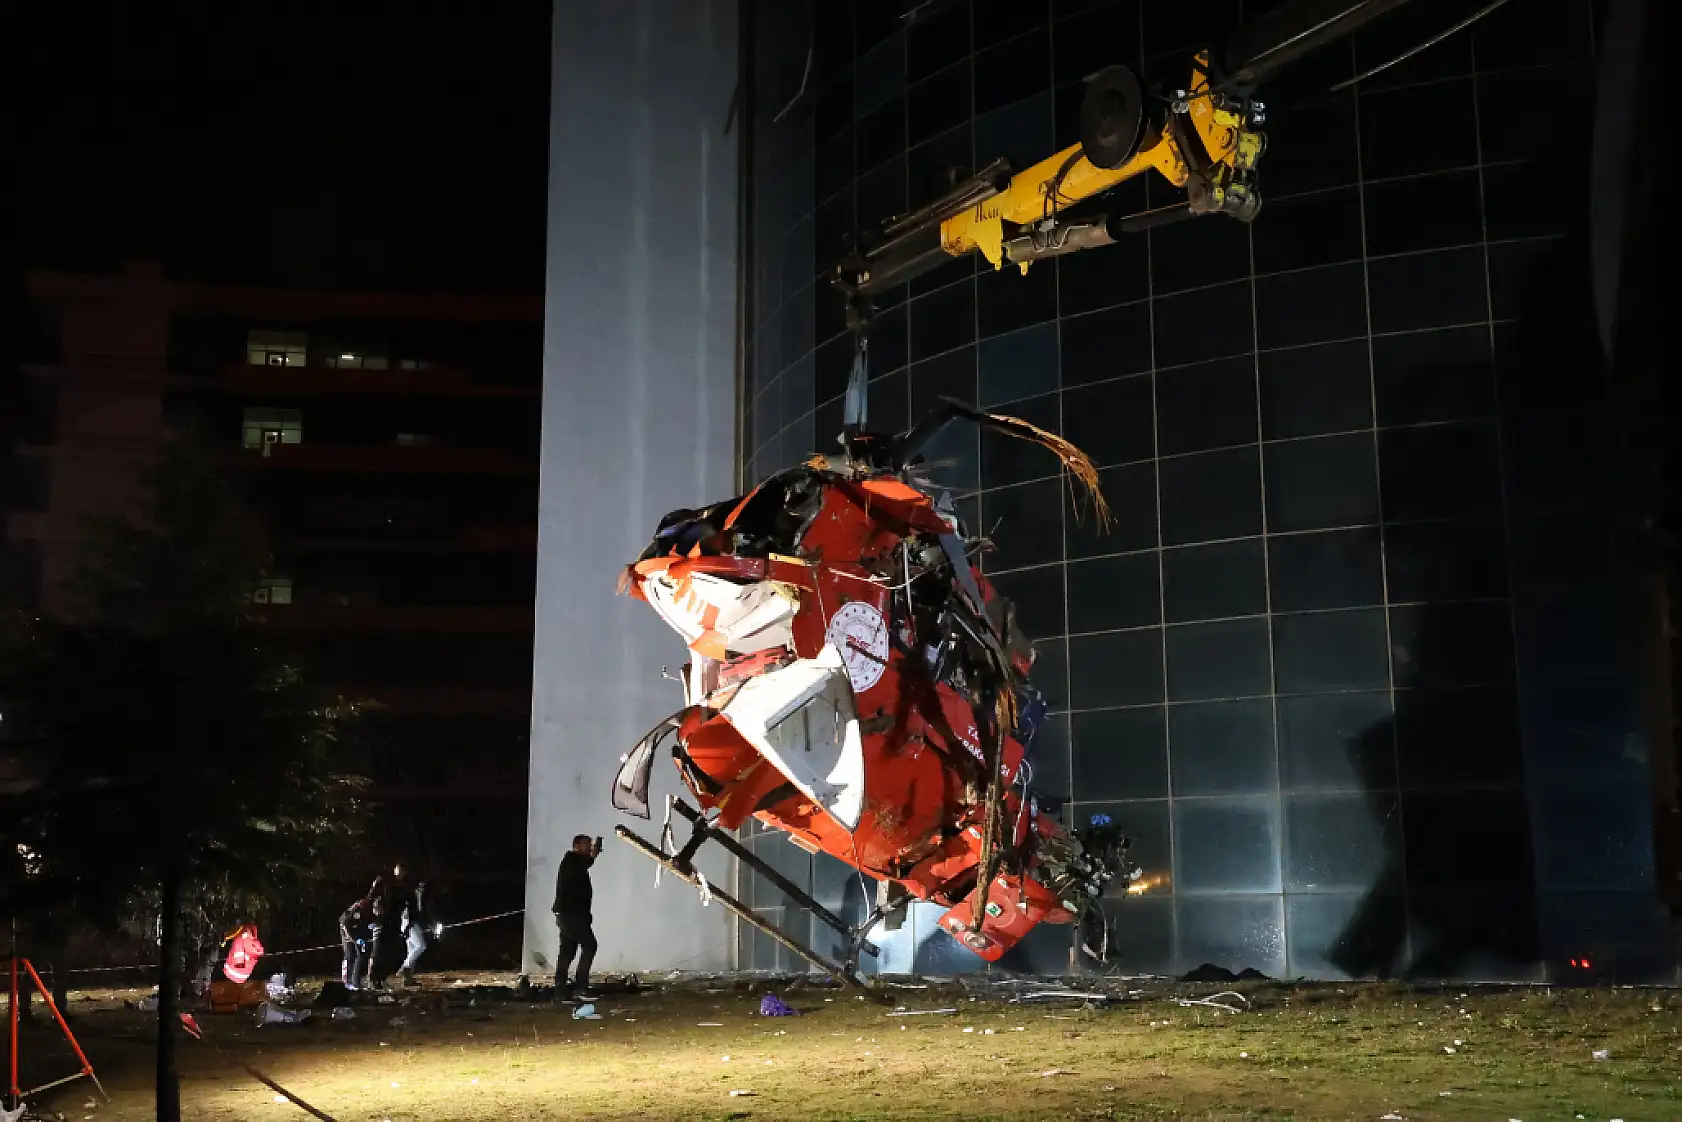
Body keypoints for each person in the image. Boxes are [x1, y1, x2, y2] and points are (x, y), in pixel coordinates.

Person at [552, 834, 602, 1001]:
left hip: (570, 915)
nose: (589, 848)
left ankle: (560, 990)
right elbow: (582, 867)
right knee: (589, 945)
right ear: (577, 846)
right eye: (587, 845)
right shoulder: (571, 862)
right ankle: (579, 987)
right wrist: (592, 857)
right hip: (571, 916)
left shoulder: (573, 862)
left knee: (567, 951)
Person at [369, 864, 415, 990]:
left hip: (393, 923)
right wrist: (378, 909)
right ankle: (373, 980)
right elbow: (372, 898)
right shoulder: (384, 883)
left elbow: (404, 904)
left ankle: (382, 979)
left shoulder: (401, 887)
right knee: (378, 951)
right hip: (382, 921)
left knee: (389, 953)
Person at [339, 888, 376, 991]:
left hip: (357, 928)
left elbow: (366, 921)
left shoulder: (372, 905)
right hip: (347, 928)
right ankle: (347, 982)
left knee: (361, 954)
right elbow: (346, 924)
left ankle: (355, 981)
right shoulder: (360, 908)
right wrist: (353, 939)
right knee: (349, 954)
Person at [399, 879, 433, 987]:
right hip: (410, 922)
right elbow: (420, 911)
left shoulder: (415, 893)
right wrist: (428, 924)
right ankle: (405, 967)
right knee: (421, 946)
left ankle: (407, 980)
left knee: (412, 950)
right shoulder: (420, 894)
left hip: (407, 922)